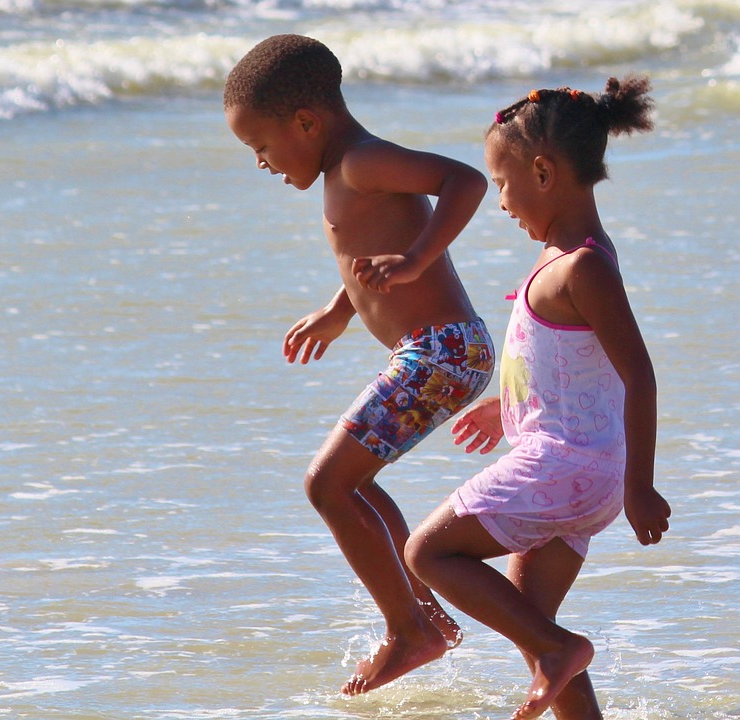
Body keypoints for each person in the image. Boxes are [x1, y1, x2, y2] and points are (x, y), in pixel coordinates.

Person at [223, 34, 495, 695]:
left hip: (441, 350)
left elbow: (466, 179)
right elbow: (370, 253)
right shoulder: (346, 172)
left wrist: (423, 259)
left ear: (307, 123)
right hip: (440, 354)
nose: (260, 162)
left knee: (327, 485)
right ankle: (425, 618)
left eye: (261, 146)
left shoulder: (364, 161)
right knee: (357, 486)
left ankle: (413, 630)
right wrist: (340, 309)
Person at [404, 77, 673, 720]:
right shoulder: (572, 258)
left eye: (502, 182)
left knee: (427, 553)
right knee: (537, 633)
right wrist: (509, 404)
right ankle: (562, 670)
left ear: (544, 172)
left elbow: (640, 373)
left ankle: (557, 652)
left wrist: (642, 485)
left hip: (566, 465)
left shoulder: (583, 266)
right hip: (578, 470)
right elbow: (576, 362)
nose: (500, 202)